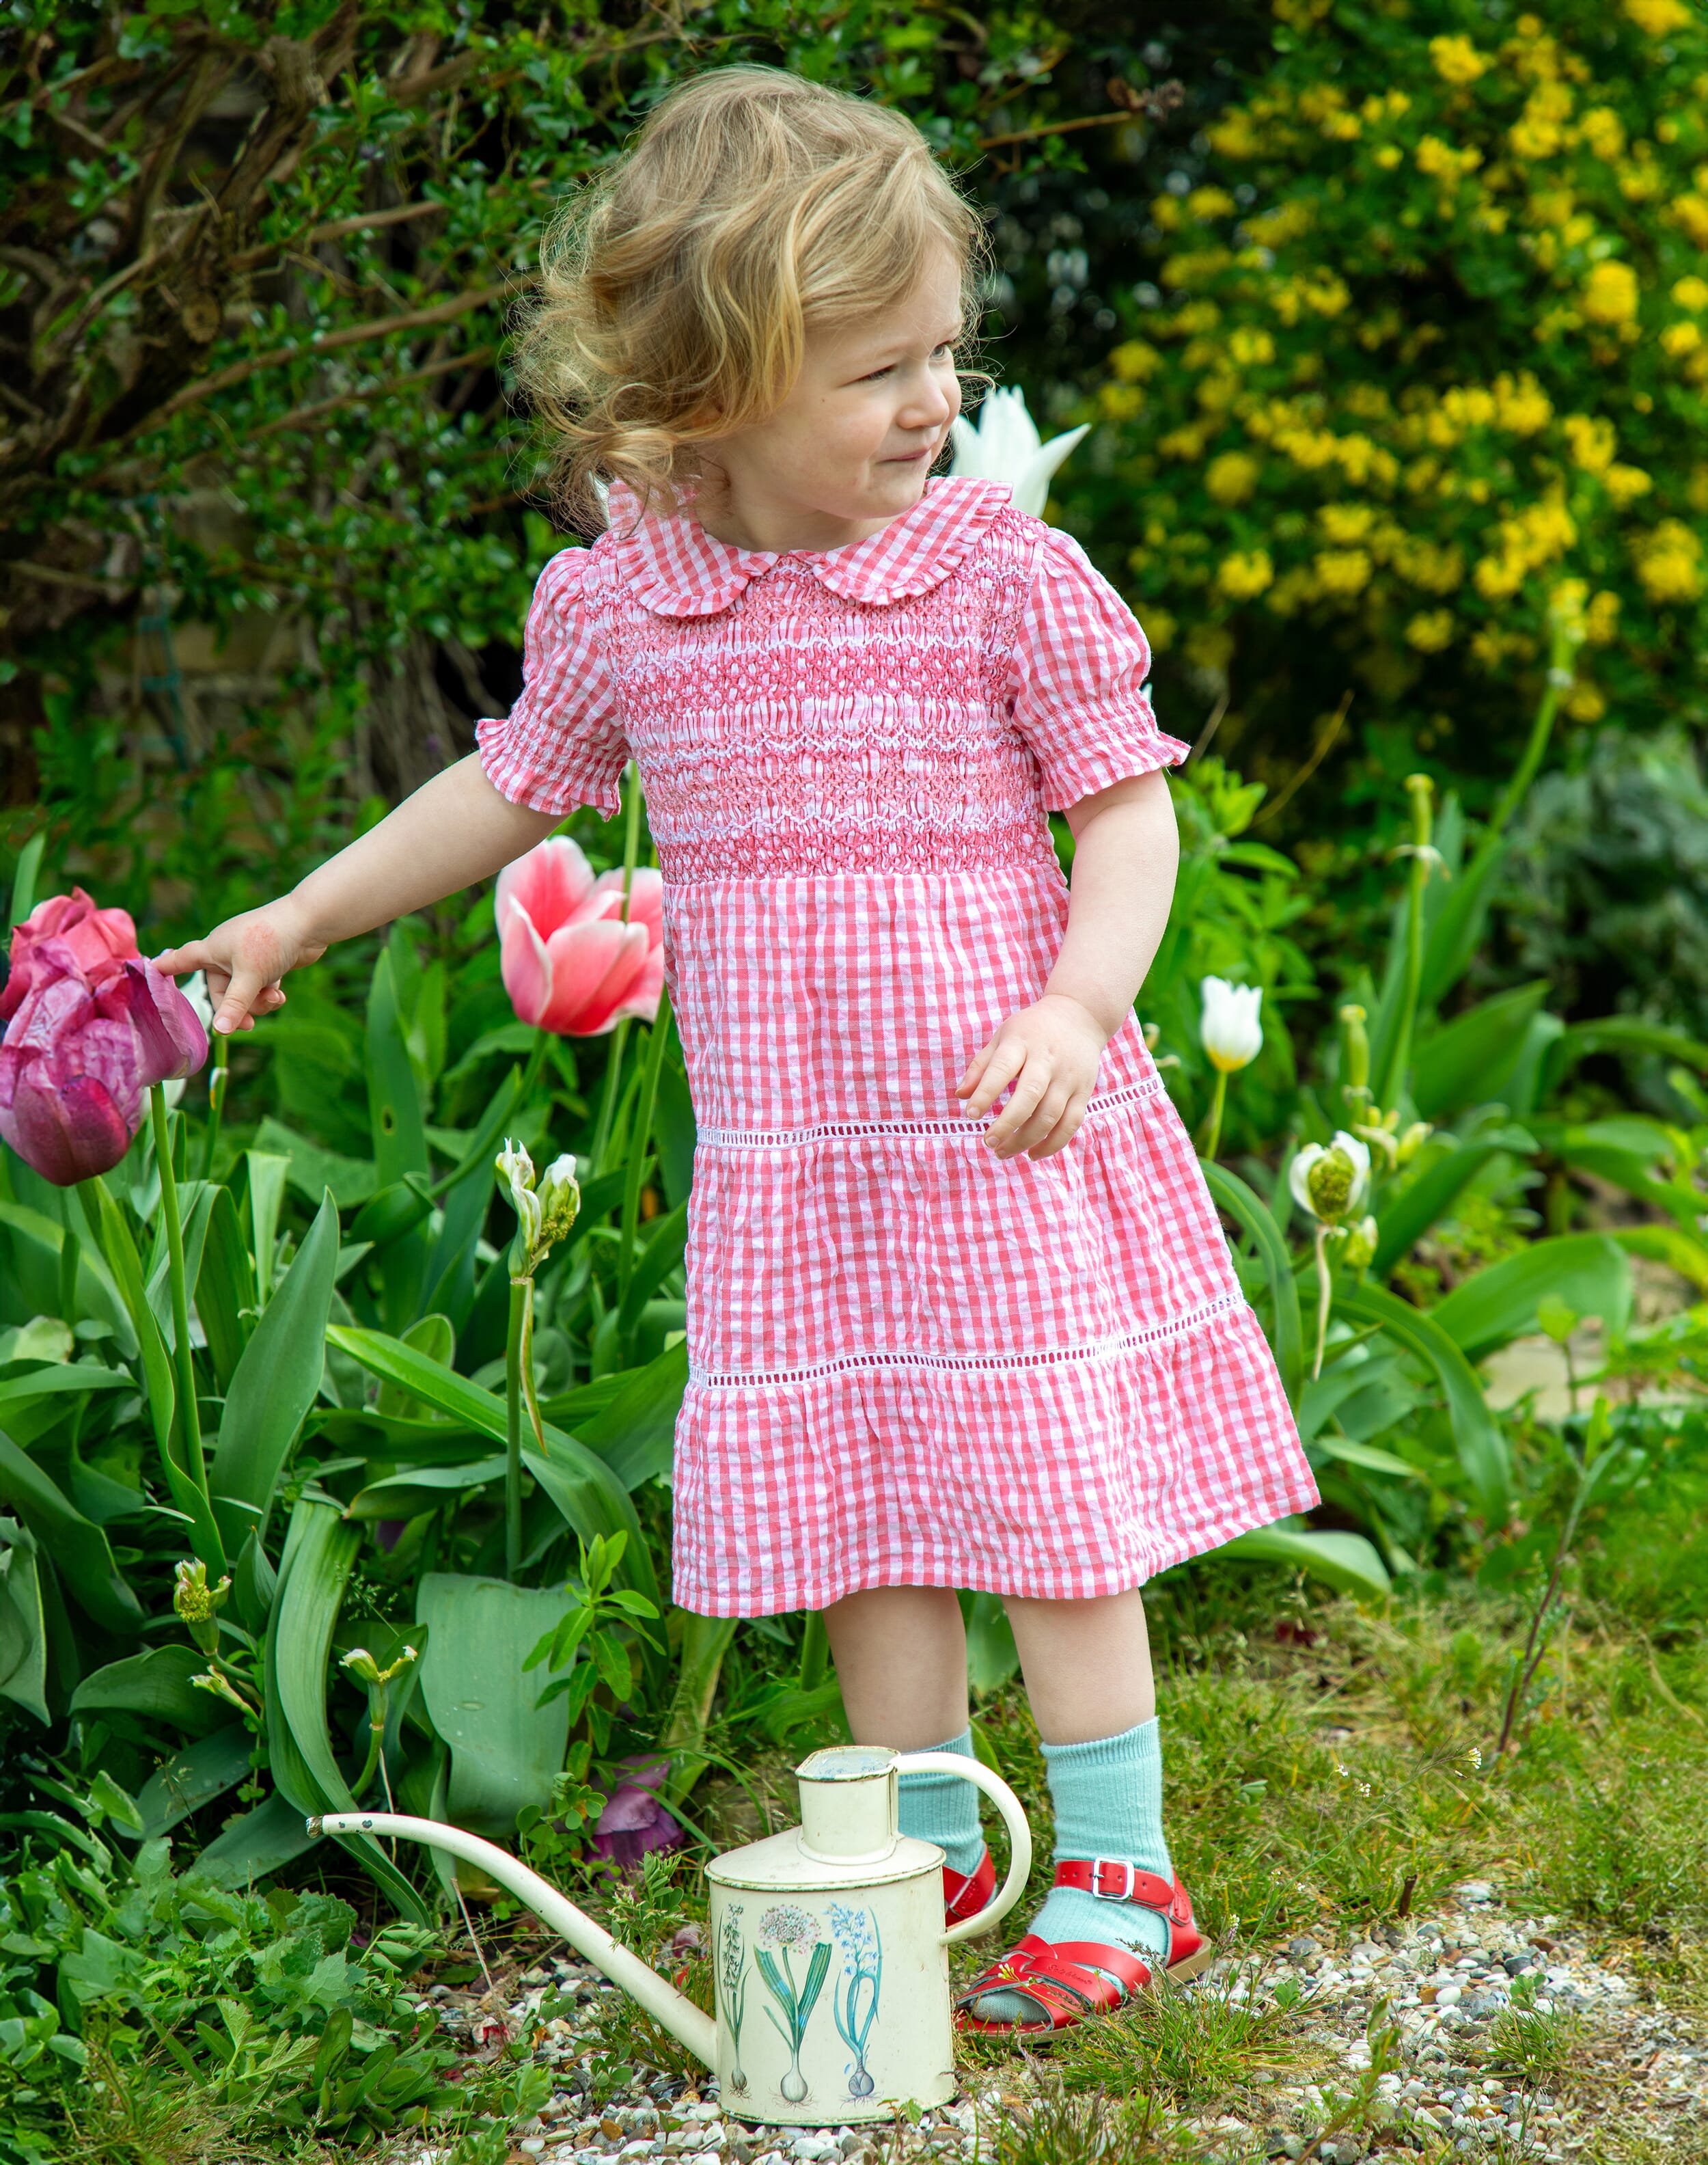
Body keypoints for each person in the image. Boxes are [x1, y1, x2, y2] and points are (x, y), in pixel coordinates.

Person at [158, 65, 1317, 2036]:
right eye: (878, 370)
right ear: (712, 388)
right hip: (801, 1160)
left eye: (943, 357)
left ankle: (1121, 1869)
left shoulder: (995, 579)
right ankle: (924, 1848)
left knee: (1042, 1497)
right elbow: (505, 788)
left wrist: (1075, 1004)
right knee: (863, 1496)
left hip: (994, 1134)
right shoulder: (633, 608)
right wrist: (298, 915)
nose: (932, 403)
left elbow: (1129, 816)